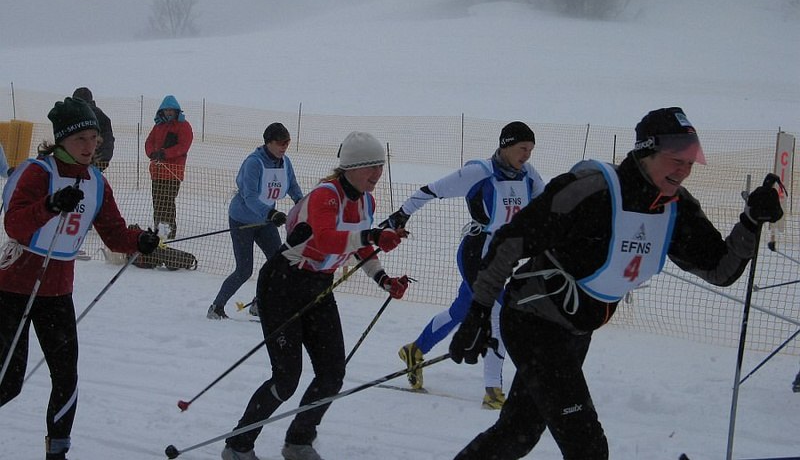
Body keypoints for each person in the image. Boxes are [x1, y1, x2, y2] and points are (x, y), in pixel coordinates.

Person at [447, 107, 785, 460]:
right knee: (587, 447)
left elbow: (719, 269)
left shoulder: (674, 207)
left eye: (689, 163)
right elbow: (510, 242)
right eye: (675, 160)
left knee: (518, 433)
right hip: (533, 323)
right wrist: (478, 312)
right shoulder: (592, 192)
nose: (683, 171)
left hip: (576, 329)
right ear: (646, 152)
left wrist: (751, 221)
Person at [221, 131, 409, 460]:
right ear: (352, 167)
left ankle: (298, 442)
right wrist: (372, 234)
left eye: (381, 166)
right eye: (372, 166)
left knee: (332, 374)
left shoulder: (367, 201)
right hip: (283, 283)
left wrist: (383, 279)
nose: (378, 173)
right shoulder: (326, 195)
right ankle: (238, 445)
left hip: (319, 284)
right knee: (286, 379)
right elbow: (325, 239)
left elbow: (358, 246)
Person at [0, 97, 161, 460]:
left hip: (58, 292)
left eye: (94, 139)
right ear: (61, 140)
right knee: (8, 382)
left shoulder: (96, 182)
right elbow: (15, 225)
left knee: (66, 377)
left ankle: (58, 451)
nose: (89, 147)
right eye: (80, 140)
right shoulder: (38, 172)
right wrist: (50, 205)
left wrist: (139, 240)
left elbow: (114, 234)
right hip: (14, 287)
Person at [390, 121, 545, 409]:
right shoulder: (480, 172)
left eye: (531, 150)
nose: (527, 155)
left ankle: (415, 350)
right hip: (477, 252)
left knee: (462, 310)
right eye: (523, 148)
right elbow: (430, 190)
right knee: (498, 311)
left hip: (504, 255)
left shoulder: (528, 175)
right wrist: (401, 215)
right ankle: (493, 391)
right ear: (506, 145)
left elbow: (546, 206)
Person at [207, 123, 304, 320]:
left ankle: (259, 304)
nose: (284, 147)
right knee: (244, 270)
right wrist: (271, 213)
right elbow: (250, 196)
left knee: (279, 264)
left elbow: (293, 186)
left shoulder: (285, 163)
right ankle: (216, 307)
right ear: (268, 142)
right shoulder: (253, 163)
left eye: (287, 142)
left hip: (265, 222)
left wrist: (302, 206)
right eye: (280, 143)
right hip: (243, 221)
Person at [144, 95, 193, 240]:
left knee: (167, 203)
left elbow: (183, 146)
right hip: (157, 172)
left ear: (177, 111)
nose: (169, 112)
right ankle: (158, 231)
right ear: (162, 111)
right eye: (166, 110)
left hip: (173, 173)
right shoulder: (158, 126)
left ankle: (168, 233)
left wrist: (164, 153)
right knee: (157, 203)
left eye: (171, 110)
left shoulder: (183, 126)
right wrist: (152, 153)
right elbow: (149, 142)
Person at [71, 87, 114, 172]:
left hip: (75, 164)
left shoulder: (73, 114)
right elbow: (108, 142)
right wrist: (101, 162)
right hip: (98, 162)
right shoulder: (101, 116)